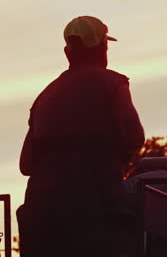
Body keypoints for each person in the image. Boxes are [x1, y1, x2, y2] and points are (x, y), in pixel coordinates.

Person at [18, 16, 144, 257]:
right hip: (97, 204)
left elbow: (26, 166)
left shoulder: (43, 97)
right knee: (166, 183)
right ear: (101, 49)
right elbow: (135, 137)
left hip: (41, 212)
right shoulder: (113, 82)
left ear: (68, 52)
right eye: (105, 47)